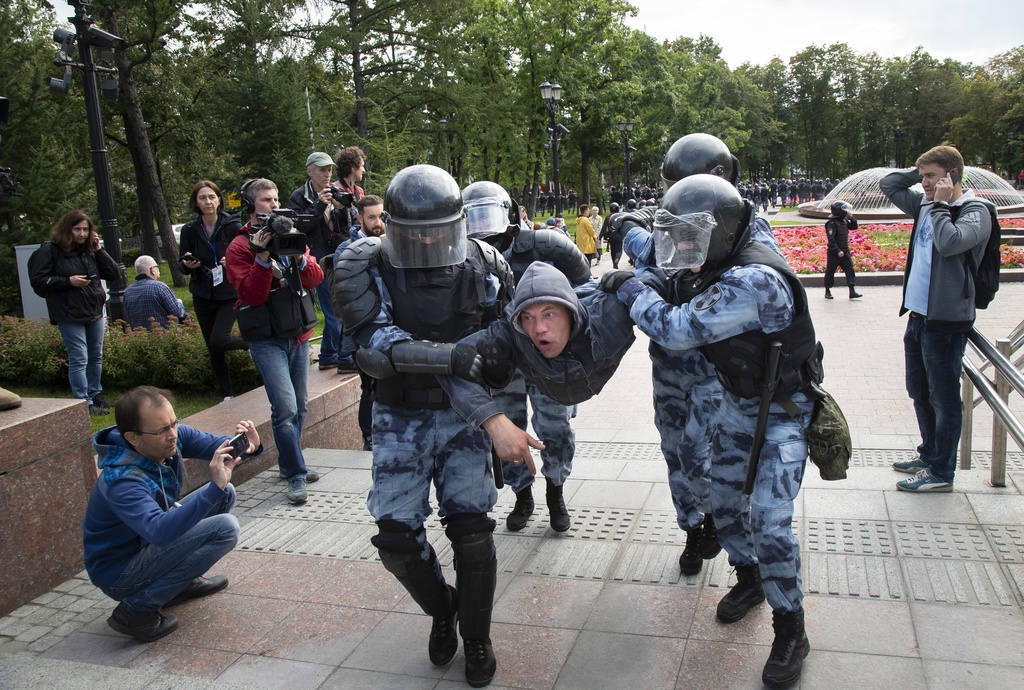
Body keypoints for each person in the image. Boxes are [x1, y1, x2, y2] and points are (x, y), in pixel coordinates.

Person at [603, 173, 823, 687]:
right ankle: (748, 577)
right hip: (737, 405)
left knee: (769, 523)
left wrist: (633, 287)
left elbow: (676, 330)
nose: (683, 249)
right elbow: (663, 255)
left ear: (721, 233)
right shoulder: (743, 233)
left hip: (782, 415)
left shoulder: (754, 281)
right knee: (723, 505)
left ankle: (791, 627)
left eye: (692, 238)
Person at [334, 165, 517, 687]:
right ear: (391, 229)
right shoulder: (364, 264)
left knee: (472, 532)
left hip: (464, 415)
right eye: (414, 233)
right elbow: (373, 346)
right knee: (394, 536)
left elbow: (502, 339)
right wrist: (454, 356)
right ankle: (443, 610)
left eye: (437, 228)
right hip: (399, 415)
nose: (428, 241)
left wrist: (494, 362)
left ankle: (477, 637)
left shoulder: (485, 262)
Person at [83, 386, 261, 642]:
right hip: (120, 572)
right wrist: (213, 488)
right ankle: (136, 610)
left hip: (148, 546)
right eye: (162, 430)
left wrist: (249, 445)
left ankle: (179, 583)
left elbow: (218, 446)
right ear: (133, 437)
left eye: (174, 423)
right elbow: (160, 532)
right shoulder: (122, 481)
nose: (173, 435)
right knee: (225, 527)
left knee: (227, 493)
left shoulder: (170, 438)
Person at [461, 181, 591, 534]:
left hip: (546, 355)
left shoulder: (537, 247)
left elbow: (580, 283)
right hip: (502, 357)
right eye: (475, 217)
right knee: (509, 426)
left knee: (556, 428)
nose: (484, 227)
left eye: (490, 214)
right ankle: (523, 494)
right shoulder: (465, 253)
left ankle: (555, 491)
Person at [881, 145, 993, 493]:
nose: (924, 184)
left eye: (932, 176)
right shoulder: (925, 202)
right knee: (919, 390)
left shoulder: (975, 210)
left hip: (946, 321)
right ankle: (929, 453)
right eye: (924, 177)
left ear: (952, 175)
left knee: (944, 399)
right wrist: (921, 176)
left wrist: (942, 203)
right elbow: (889, 185)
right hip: (919, 316)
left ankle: (942, 471)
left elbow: (949, 243)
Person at [226, 178, 324, 505]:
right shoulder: (240, 246)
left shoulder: (291, 236)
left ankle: (287, 464)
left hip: (297, 333)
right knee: (285, 409)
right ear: (252, 206)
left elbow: (315, 279)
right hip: (266, 339)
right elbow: (251, 295)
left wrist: (298, 258)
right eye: (267, 200)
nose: (274, 204)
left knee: (301, 406)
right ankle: (296, 475)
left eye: (276, 198)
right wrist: (262, 258)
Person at [29, 209, 121, 416]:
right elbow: (38, 280)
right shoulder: (51, 250)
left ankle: (96, 394)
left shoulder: (89, 250)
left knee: (95, 355)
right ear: (67, 229)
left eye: (85, 229)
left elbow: (113, 273)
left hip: (93, 310)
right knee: (79, 357)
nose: (81, 234)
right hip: (68, 312)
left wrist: (99, 250)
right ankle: (83, 401)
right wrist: (68, 281)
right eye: (77, 229)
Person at [179, 180, 248, 401]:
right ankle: (226, 394)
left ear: (219, 199)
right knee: (213, 347)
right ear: (196, 203)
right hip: (203, 292)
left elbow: (247, 255)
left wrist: (233, 262)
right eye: (202, 198)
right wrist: (187, 264)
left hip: (228, 292)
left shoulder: (232, 225)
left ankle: (251, 342)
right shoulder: (190, 229)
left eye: (212, 197)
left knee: (220, 339)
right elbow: (181, 262)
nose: (208, 202)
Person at [330, 194, 387, 450]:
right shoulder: (347, 247)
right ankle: (369, 438)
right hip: (361, 330)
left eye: (381, 216)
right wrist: (377, 249)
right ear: (360, 218)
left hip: (389, 326)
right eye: (372, 217)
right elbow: (346, 289)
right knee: (370, 388)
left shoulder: (391, 241)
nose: (378, 223)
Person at [288, 152, 355, 373]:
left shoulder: (335, 191)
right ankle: (343, 355)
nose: (327, 174)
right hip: (315, 260)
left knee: (337, 306)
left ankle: (327, 354)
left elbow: (348, 224)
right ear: (310, 171)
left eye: (329, 170)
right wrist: (319, 205)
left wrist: (341, 207)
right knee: (333, 310)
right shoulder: (299, 196)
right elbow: (299, 227)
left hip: (337, 257)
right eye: (322, 170)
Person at [123, 255, 187, 329]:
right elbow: (177, 312)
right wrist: (179, 303)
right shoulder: (160, 287)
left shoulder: (128, 292)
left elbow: (129, 318)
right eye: (157, 267)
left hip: (140, 336)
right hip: (164, 335)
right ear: (152, 270)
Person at [823, 201, 862, 300]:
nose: (846, 212)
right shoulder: (831, 223)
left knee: (850, 270)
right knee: (830, 271)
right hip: (835, 253)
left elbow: (854, 226)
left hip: (845, 251)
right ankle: (827, 290)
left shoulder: (843, 221)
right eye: (844, 210)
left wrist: (851, 218)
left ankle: (852, 291)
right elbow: (831, 240)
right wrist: (837, 251)